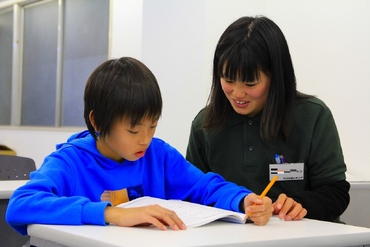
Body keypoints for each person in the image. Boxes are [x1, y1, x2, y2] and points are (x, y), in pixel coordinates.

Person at [6, 57, 273, 237]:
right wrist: (111, 214)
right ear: (97, 120)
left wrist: (242, 199)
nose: (145, 139)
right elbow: (21, 204)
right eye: (134, 130)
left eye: (153, 126)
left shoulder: (158, 155)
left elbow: (204, 186)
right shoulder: (70, 163)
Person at [186, 16, 350, 223]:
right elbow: (191, 192)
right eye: (228, 80)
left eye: (250, 83)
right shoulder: (205, 125)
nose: (237, 93)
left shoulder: (313, 116)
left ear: (276, 77)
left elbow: (336, 192)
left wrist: (299, 204)